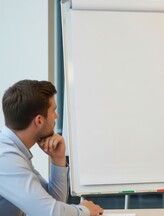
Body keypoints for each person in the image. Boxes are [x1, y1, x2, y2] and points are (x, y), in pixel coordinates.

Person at [0, 80, 103, 216]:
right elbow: (50, 213)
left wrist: (58, 159)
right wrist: (85, 210)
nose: (56, 116)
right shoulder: (5, 157)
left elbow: (52, 203)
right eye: (53, 110)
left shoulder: (15, 151)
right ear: (39, 121)